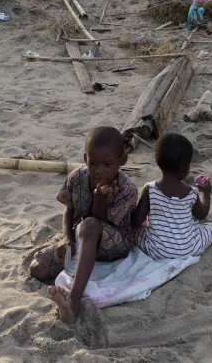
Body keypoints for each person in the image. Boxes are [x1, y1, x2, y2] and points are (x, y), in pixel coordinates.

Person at [29, 126, 137, 324]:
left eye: (107, 164)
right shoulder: (77, 178)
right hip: (81, 236)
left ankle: (74, 301)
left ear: (122, 161)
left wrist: (99, 198)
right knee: (38, 269)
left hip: (114, 243)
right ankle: (76, 265)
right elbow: (69, 209)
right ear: (85, 158)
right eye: (93, 163)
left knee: (89, 226)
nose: (99, 171)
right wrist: (66, 238)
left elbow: (99, 224)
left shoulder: (127, 190)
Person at [131, 133, 212, 262]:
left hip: (158, 251)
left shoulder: (150, 190)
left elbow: (136, 222)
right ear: (185, 168)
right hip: (191, 248)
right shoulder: (189, 192)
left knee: (138, 233)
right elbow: (202, 214)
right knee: (211, 230)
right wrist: (206, 194)